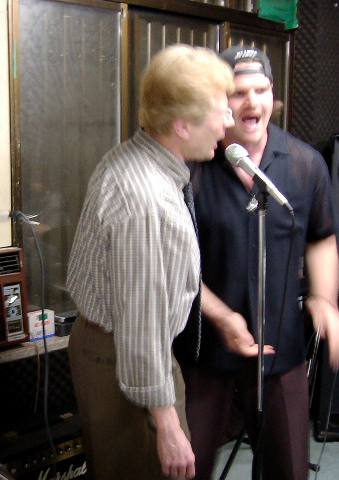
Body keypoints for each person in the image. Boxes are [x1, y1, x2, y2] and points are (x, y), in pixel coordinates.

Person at [181, 45, 339, 480]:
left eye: (261, 90)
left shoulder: (305, 163)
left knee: (287, 467)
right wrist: (220, 317)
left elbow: (321, 238)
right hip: (204, 344)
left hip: (279, 343)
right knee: (189, 465)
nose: (252, 102)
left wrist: (325, 301)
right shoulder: (194, 164)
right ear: (219, 101)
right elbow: (172, 262)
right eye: (238, 93)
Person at [67, 44, 235, 480]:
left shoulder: (134, 157)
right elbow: (141, 326)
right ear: (182, 125)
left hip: (118, 350)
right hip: (126, 359)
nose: (229, 121)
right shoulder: (148, 202)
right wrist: (167, 424)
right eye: (221, 110)